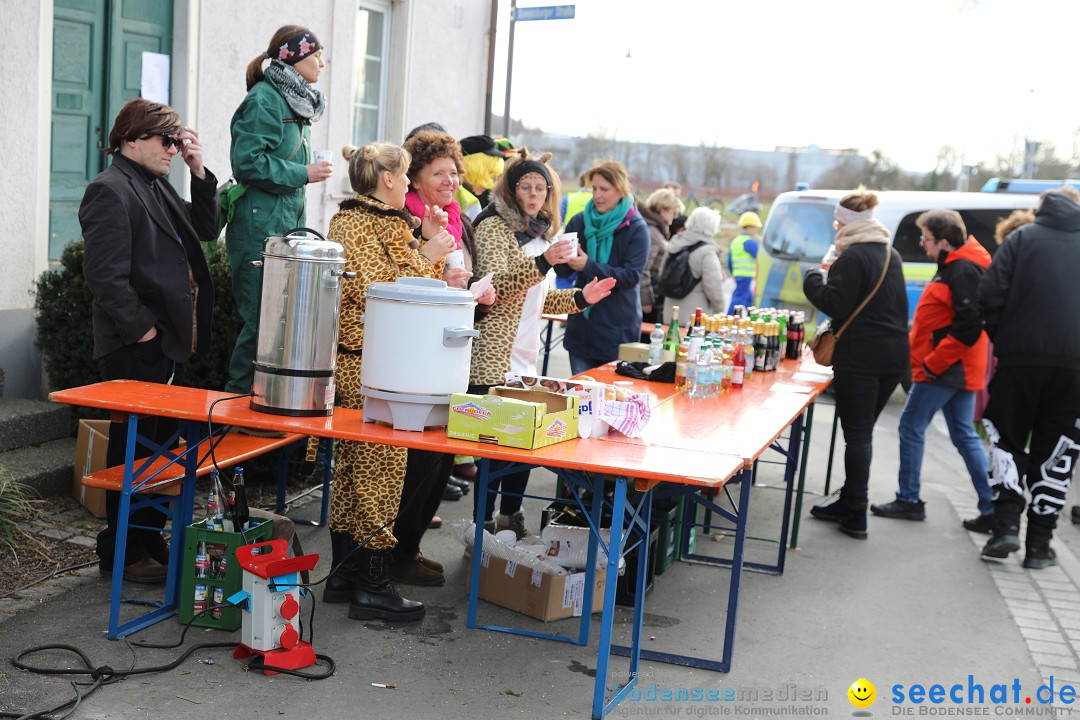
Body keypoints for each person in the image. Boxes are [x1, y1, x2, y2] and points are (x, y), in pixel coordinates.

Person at [79, 98, 219, 583]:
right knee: (135, 450)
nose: (174, 150)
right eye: (167, 141)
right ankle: (121, 551)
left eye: (178, 142)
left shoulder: (152, 184)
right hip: (138, 345)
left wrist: (199, 172)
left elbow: (205, 228)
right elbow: (105, 278)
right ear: (132, 138)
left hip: (166, 344)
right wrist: (145, 332)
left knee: (161, 449)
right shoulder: (110, 190)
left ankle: (144, 536)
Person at [322, 142, 456, 620]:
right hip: (378, 366)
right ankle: (373, 587)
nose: (407, 184)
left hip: (360, 361)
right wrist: (432, 252)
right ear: (387, 180)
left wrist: (423, 247)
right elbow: (388, 289)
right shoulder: (375, 222)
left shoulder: (349, 220)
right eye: (404, 177)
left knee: (353, 471)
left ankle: (345, 574)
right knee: (380, 472)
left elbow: (391, 276)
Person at [466, 149, 615, 541]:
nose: (533, 194)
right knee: (494, 450)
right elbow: (496, 288)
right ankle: (481, 528)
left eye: (540, 187)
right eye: (525, 186)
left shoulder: (538, 233)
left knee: (523, 447)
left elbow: (540, 299)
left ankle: (510, 520)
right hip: (492, 357)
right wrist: (546, 261)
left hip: (524, 357)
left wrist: (584, 297)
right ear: (511, 189)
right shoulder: (494, 226)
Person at [387, 130, 483, 585]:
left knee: (442, 459)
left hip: (448, 348)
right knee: (418, 461)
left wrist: (470, 286)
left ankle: (412, 545)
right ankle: (397, 552)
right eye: (438, 173)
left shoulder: (455, 218)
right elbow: (399, 282)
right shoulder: (405, 219)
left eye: (453, 172)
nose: (449, 180)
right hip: (414, 354)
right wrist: (441, 279)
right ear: (415, 179)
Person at [224, 25, 332, 395]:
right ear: (293, 57)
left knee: (279, 322)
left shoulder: (295, 100)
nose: (322, 62)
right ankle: (232, 414)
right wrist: (304, 172)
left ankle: (264, 407)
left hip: (286, 219)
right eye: (315, 54)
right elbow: (248, 163)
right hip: (258, 221)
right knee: (260, 321)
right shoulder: (264, 100)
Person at [869, 209, 994, 531]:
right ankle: (992, 507)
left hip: (946, 368)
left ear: (943, 240)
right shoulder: (958, 265)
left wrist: (932, 363)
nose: (922, 245)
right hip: (954, 367)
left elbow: (969, 327)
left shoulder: (962, 269)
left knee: (911, 426)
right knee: (964, 436)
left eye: (925, 238)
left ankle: (909, 499)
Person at [978, 186, 1080, 569]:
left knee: (1006, 437)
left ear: (1042, 209)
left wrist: (1005, 338)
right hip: (1074, 370)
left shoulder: (1022, 238)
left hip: (1019, 362)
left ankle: (1005, 527)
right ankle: (1039, 546)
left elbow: (988, 294)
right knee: (1058, 452)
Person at [803, 187, 909, 540]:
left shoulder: (852, 257)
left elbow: (836, 304)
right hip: (893, 358)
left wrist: (812, 280)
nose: (835, 228)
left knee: (858, 436)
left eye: (836, 221)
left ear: (846, 222)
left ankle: (855, 514)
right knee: (861, 434)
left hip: (862, 358)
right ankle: (849, 501)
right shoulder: (889, 254)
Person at [554, 161, 650, 375]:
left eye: (604, 189)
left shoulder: (636, 229)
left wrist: (589, 266)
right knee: (582, 398)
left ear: (620, 190)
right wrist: (560, 257)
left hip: (617, 330)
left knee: (611, 402)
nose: (597, 195)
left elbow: (630, 277)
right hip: (581, 329)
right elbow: (563, 273)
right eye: (594, 189)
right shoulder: (579, 221)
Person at [661, 207, 728, 324]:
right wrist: (720, 310)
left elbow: (662, 272)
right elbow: (713, 286)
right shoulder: (706, 251)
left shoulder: (675, 243)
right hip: (694, 317)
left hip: (670, 312)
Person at [639, 188, 685, 324]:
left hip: (652, 291)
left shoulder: (654, 229)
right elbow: (644, 268)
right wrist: (645, 299)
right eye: (673, 212)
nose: (675, 216)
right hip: (649, 295)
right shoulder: (652, 233)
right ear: (663, 210)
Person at [455, 134, 506, 221]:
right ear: (474, 168)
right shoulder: (452, 194)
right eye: (489, 174)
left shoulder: (487, 198)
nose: (490, 184)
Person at [726, 211, 762, 313]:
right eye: (755, 227)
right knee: (739, 298)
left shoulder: (736, 241)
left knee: (747, 299)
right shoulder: (750, 242)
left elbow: (729, 261)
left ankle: (748, 319)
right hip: (747, 275)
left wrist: (733, 273)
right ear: (750, 227)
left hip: (738, 274)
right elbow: (760, 257)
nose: (755, 230)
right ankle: (730, 317)